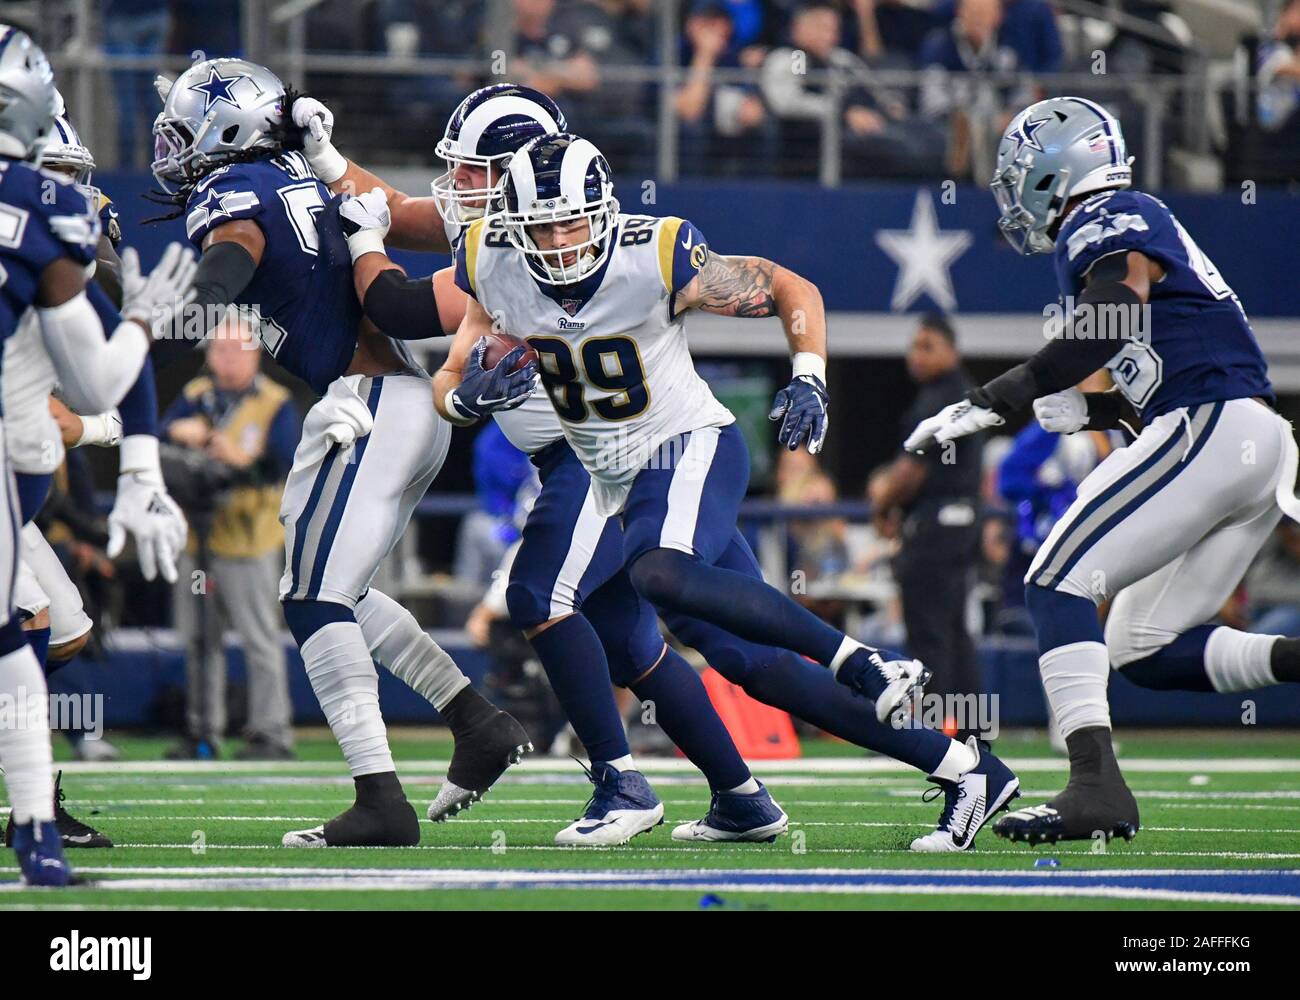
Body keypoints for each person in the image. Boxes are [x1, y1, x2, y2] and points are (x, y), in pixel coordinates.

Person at [327, 119, 1023, 851]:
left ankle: (863, 662)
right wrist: (468, 397)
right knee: (753, 664)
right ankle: (964, 767)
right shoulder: (490, 256)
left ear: (602, 212)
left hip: (687, 445)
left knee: (653, 572)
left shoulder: (655, 253)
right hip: (614, 475)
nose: (560, 242)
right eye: (543, 227)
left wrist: (810, 375)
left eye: (571, 224)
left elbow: (793, 285)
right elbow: (448, 377)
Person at [146, 57, 533, 848]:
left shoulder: (234, 193)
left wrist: (181, 306)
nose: (172, 152)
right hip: (392, 401)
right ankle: (476, 721)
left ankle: (380, 799)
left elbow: (237, 245)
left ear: (226, 130)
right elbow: (366, 213)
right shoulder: (295, 168)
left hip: (371, 403)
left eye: (184, 132)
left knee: (313, 601)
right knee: (334, 591)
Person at [905, 96, 1300, 846]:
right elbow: (1146, 363)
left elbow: (1116, 309)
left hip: (1213, 424)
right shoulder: (1127, 222)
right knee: (1141, 648)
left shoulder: (1109, 212)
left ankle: (1095, 788)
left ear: (1061, 169)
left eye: (1023, 172)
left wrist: (1001, 396)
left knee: (1054, 580)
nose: (1014, 188)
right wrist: (1093, 413)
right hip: (1242, 434)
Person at [0, 26, 197, 883]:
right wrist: (149, 318)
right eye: (66, 177)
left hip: (19, 482)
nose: (78, 198)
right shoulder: (33, 214)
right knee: (26, 632)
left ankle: (34, 821)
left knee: (49, 631)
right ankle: (33, 828)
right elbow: (94, 385)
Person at [162, 320, 300, 761]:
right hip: (200, 541)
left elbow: (283, 464)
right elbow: (160, 437)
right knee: (201, 638)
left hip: (249, 540)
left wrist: (237, 457)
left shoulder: (275, 402)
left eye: (237, 349)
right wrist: (187, 434)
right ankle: (204, 732)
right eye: (219, 349)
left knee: (259, 637)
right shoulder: (196, 395)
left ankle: (271, 733)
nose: (227, 358)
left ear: (255, 353)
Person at [870, 314, 983, 740]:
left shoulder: (939, 397)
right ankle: (972, 729)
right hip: (963, 520)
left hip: (936, 526)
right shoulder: (963, 394)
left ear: (952, 350)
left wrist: (882, 503)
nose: (916, 355)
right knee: (955, 629)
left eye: (928, 346)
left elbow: (910, 471)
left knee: (930, 630)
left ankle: (930, 733)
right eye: (914, 346)